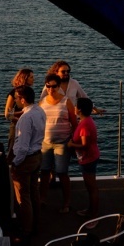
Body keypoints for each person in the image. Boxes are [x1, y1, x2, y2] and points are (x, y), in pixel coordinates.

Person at [37, 74, 79, 214]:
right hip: (45, 143)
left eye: (54, 86)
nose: (50, 89)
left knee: (62, 173)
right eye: (48, 86)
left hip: (62, 143)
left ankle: (66, 202)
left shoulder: (66, 102)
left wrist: (73, 140)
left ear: (59, 86)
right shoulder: (42, 102)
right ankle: (42, 199)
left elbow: (74, 122)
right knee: (44, 172)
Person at [10, 85, 46, 241]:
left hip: (26, 160)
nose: (16, 101)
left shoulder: (25, 118)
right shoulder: (40, 111)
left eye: (17, 98)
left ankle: (26, 230)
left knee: (23, 197)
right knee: (34, 192)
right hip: (37, 156)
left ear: (22, 99)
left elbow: (23, 146)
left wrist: (15, 163)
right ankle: (36, 224)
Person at [68, 97, 101, 217]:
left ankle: (94, 215)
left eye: (76, 106)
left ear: (79, 110)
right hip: (88, 158)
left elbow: (85, 145)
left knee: (91, 188)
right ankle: (90, 210)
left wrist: (71, 144)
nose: (74, 108)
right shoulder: (86, 121)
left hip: (89, 159)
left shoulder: (85, 125)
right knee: (90, 187)